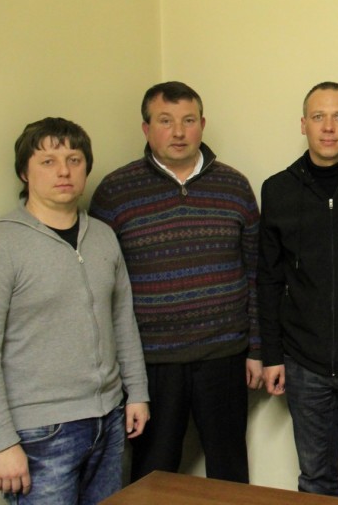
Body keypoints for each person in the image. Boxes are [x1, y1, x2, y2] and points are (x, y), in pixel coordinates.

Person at [0, 117, 149, 504]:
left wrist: (137, 393)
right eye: (48, 161)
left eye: (74, 159)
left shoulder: (103, 236)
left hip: (109, 420)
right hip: (40, 434)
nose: (63, 171)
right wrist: (0, 442)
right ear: (24, 172)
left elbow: (122, 322)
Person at [89, 81, 261, 483]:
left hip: (224, 354)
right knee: (153, 471)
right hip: (152, 363)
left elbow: (255, 274)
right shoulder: (115, 192)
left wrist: (257, 348)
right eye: (165, 121)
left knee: (229, 471)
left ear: (203, 124)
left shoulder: (234, 186)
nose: (179, 132)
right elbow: (101, 288)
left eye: (188, 120)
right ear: (146, 128)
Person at [257, 82, 338, 500]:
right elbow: (268, 280)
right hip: (303, 363)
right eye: (318, 117)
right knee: (315, 481)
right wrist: (272, 355)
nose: (328, 127)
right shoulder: (278, 190)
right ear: (303, 125)